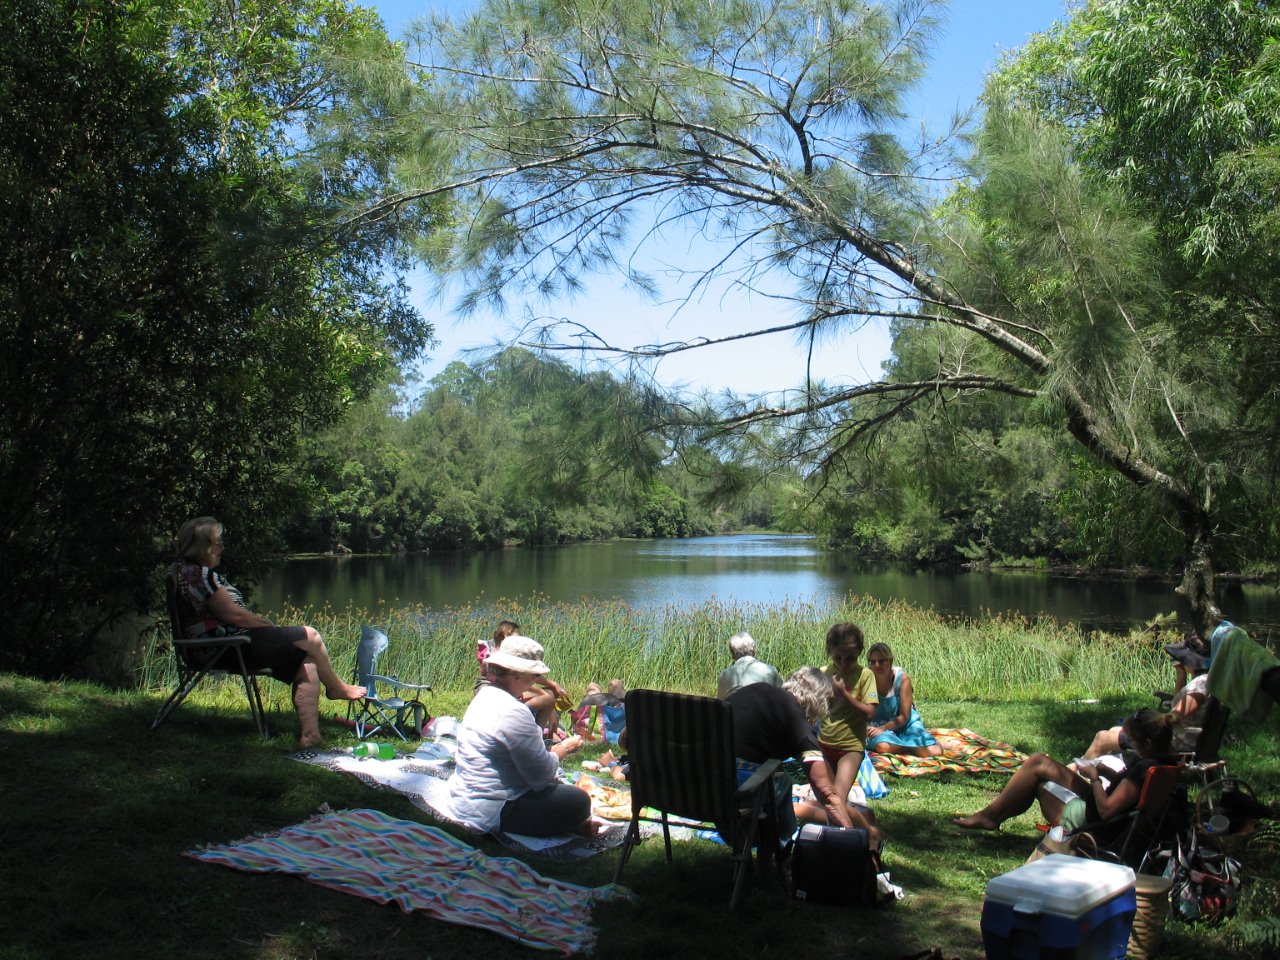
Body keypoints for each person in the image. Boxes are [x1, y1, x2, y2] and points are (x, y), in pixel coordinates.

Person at [172, 517, 365, 748]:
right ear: (203, 547)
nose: (221, 548)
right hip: (223, 647)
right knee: (310, 635)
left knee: (308, 662)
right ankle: (336, 688)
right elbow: (235, 616)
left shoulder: (189, 573)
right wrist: (270, 629)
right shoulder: (199, 576)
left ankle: (310, 735)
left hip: (224, 645)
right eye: (217, 543)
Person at [445, 635, 592, 837]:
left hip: (463, 798)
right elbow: (541, 776)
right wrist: (563, 749)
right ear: (516, 674)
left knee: (563, 794)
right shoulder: (513, 711)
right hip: (494, 808)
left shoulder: (484, 696)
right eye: (533, 675)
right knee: (578, 800)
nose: (535, 680)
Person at [726, 668, 881, 849]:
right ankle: (780, 845)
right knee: (781, 781)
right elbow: (827, 794)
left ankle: (768, 850)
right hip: (737, 789)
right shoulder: (797, 722)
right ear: (819, 703)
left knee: (774, 778)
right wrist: (853, 839)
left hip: (704, 785)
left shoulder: (755, 690)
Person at [954, 708, 1179, 831]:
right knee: (1039, 761)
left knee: (1039, 783)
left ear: (1147, 743)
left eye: (1133, 741)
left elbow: (1107, 811)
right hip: (1104, 809)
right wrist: (1105, 772)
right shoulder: (1162, 762)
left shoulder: (1144, 769)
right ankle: (991, 816)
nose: (1131, 745)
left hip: (1094, 823)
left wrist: (1095, 779)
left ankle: (990, 817)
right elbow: (1125, 794)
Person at [1077, 639, 1210, 761]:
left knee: (1101, 738)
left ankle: (1080, 772)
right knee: (1114, 730)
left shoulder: (1198, 688)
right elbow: (1179, 705)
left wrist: (1148, 720)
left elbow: (1174, 717)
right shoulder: (1206, 681)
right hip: (1185, 739)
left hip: (1172, 743)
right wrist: (1181, 674)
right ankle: (1090, 767)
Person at [818, 622, 879, 811]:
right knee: (828, 800)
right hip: (824, 744)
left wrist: (844, 693)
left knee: (836, 801)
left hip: (850, 747)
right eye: (838, 657)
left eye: (850, 658)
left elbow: (869, 713)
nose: (843, 664)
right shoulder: (824, 673)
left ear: (859, 652)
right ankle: (864, 823)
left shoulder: (865, 675)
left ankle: (867, 827)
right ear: (830, 651)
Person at [864, 642, 942, 757]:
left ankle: (918, 745)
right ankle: (912, 747)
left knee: (935, 752)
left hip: (905, 723)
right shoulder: (865, 679)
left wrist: (883, 728)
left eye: (881, 661)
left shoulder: (902, 679)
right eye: (873, 662)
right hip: (877, 725)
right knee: (883, 746)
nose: (877, 665)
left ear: (890, 661)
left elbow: (904, 716)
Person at [716, 631, 783, 699]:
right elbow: (782, 696)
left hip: (734, 705)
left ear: (732, 655)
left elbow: (720, 702)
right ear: (754, 651)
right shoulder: (770, 670)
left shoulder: (724, 675)